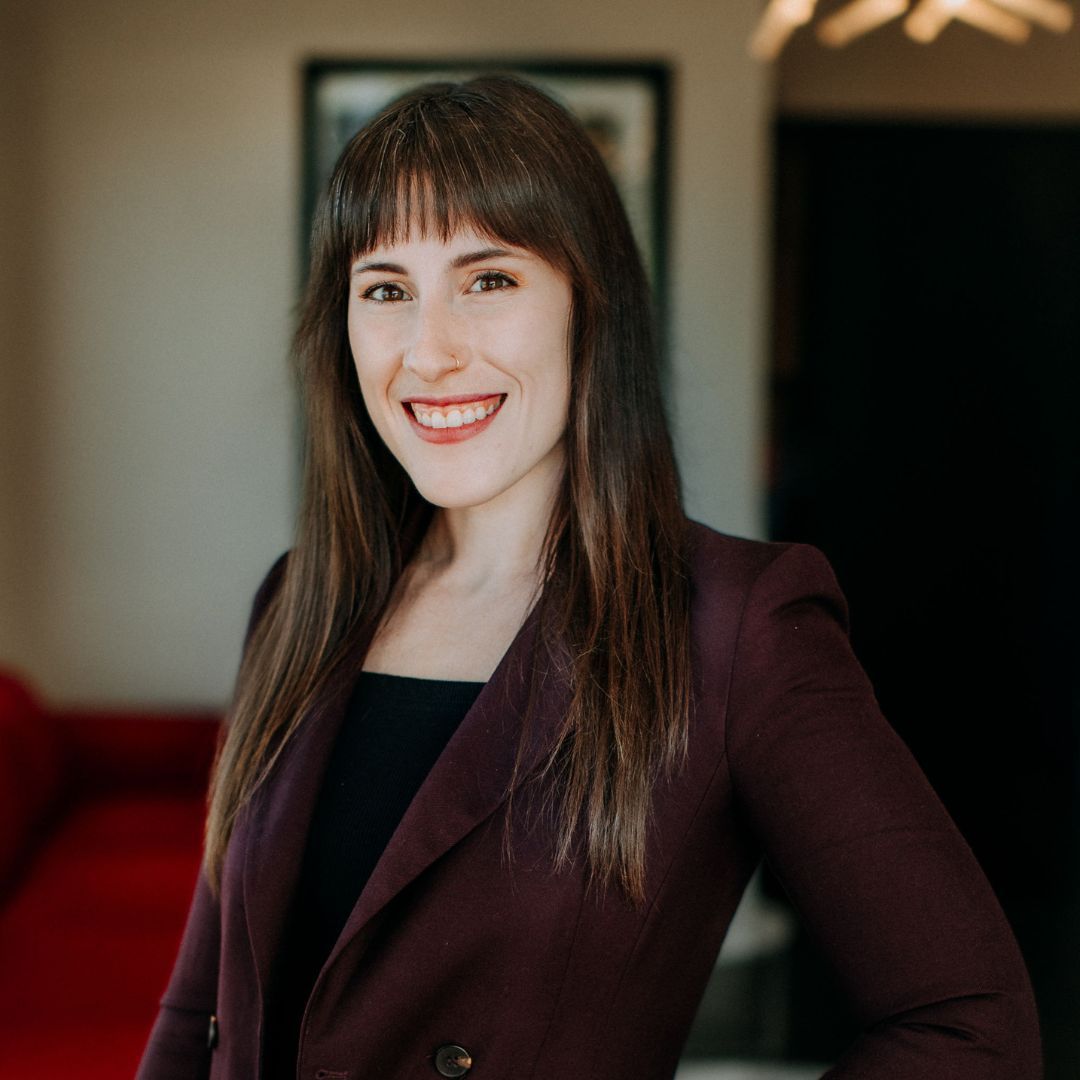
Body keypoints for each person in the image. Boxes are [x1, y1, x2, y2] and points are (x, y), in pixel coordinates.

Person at [137, 75, 1041, 1080]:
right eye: (385, 289)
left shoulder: (736, 626)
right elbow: (197, 1014)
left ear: (588, 305)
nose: (428, 352)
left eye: (489, 280)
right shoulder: (299, 599)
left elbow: (967, 1025)